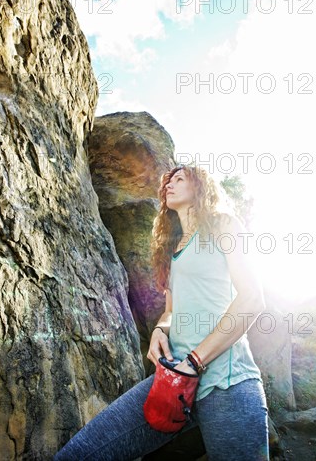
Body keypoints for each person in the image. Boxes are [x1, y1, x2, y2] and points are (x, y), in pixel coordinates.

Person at [54, 165, 269, 461]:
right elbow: (170, 311)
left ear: (200, 188)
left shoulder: (222, 225)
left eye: (180, 179)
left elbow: (252, 299)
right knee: (80, 453)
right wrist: (159, 330)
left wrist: (195, 362)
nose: (170, 183)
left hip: (227, 384)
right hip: (170, 380)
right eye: (168, 179)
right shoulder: (172, 250)